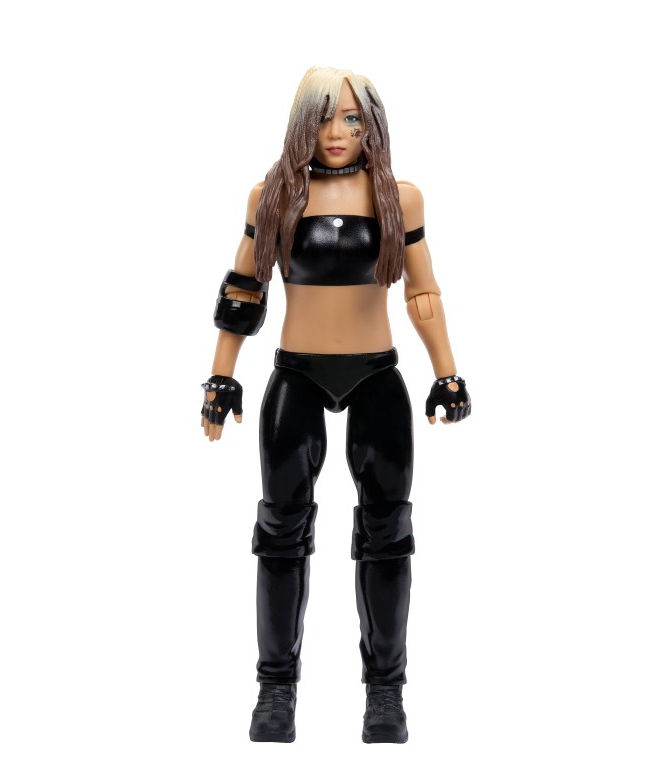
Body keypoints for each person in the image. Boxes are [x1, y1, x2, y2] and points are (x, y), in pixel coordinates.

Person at [201, 66, 470, 744]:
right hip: (297, 373)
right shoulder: (273, 197)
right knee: (280, 531)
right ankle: (275, 692)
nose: (338, 131)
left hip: (377, 374)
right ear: (302, 123)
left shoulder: (399, 200)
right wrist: (221, 379)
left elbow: (423, 291)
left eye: (352, 117)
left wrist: (447, 373)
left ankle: (386, 696)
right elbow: (243, 290)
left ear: (372, 124)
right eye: (324, 117)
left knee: (389, 533)